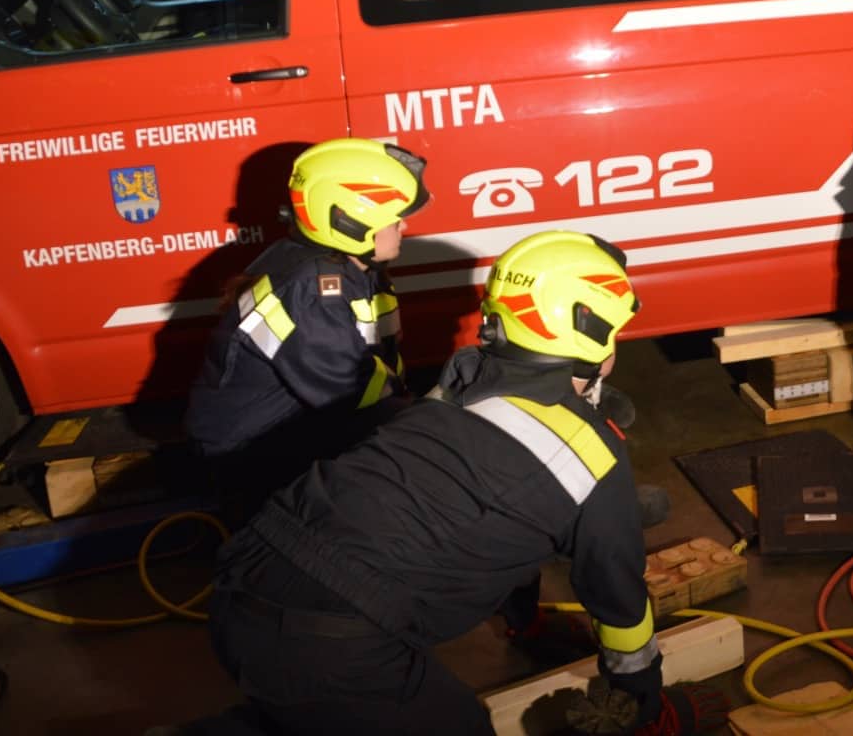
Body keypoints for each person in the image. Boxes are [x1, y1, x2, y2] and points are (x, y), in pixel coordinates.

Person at [197, 231, 671, 736]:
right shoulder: (592, 454)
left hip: (245, 575)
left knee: (315, 705)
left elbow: (498, 517)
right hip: (325, 636)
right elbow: (617, 598)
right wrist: (638, 696)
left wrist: (525, 619)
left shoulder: (457, 382)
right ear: (597, 335)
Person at [183, 137, 430, 512]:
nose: (404, 225)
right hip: (251, 455)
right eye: (394, 218)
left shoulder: (348, 268)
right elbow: (349, 396)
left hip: (291, 425)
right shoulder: (312, 289)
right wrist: (431, 421)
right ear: (348, 222)